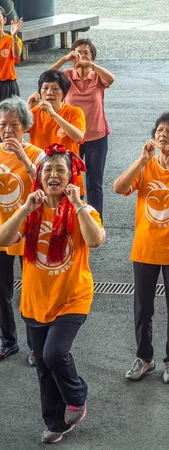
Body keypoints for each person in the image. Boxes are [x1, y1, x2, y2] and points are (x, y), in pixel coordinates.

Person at [0, 144, 105, 444]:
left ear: (71, 177)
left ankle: (77, 395)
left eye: (61, 170)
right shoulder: (31, 213)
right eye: (48, 170)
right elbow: (4, 238)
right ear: (40, 177)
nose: (54, 175)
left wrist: (79, 204)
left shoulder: (83, 210)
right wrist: (24, 208)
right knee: (44, 367)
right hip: (34, 300)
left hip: (73, 297)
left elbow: (95, 240)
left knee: (54, 353)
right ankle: (56, 422)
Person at [113, 112, 169, 384]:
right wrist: (142, 160)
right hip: (145, 248)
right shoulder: (145, 165)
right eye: (159, 130)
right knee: (143, 308)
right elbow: (118, 187)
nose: (163, 134)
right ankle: (144, 358)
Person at [48, 38, 115, 219]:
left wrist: (91, 65)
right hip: (71, 137)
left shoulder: (97, 76)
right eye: (79, 52)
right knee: (71, 180)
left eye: (87, 52)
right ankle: (71, 217)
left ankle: (94, 220)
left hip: (96, 136)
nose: (82, 56)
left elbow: (111, 79)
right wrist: (64, 59)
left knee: (94, 182)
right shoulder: (67, 76)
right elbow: (46, 77)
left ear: (92, 56)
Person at [0, 97, 44, 366]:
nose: (7, 131)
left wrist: (22, 155)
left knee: (31, 291)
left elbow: (45, 184)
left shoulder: (38, 154)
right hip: (2, 231)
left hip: (28, 232)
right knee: (1, 291)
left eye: (13, 125)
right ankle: (8, 341)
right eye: (3, 125)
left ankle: (34, 345)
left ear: (25, 127)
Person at [26, 70, 86, 157]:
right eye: (45, 88)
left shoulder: (74, 112)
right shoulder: (34, 112)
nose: (49, 93)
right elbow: (14, 131)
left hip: (66, 167)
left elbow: (78, 137)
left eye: (55, 89)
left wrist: (54, 115)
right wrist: (27, 108)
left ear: (64, 93)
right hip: (41, 166)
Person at [0, 10, 22, 102]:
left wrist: (14, 37)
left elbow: (16, 54)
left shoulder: (11, 40)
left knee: (10, 115)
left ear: (4, 20)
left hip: (7, 85)